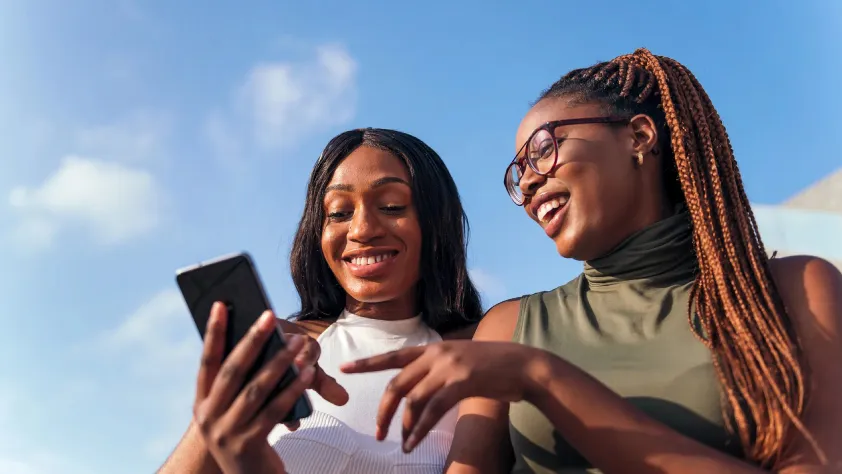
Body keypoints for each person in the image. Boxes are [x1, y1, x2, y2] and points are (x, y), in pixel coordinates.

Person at [341, 49, 842, 473]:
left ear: (639, 137)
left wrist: (542, 379)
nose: (530, 182)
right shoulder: (509, 327)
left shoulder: (794, 290)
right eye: (518, 174)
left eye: (543, 149)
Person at [157, 128, 483, 474]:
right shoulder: (283, 350)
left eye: (391, 206)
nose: (361, 229)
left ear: (437, 220)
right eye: (339, 213)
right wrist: (210, 420)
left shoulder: (486, 347)